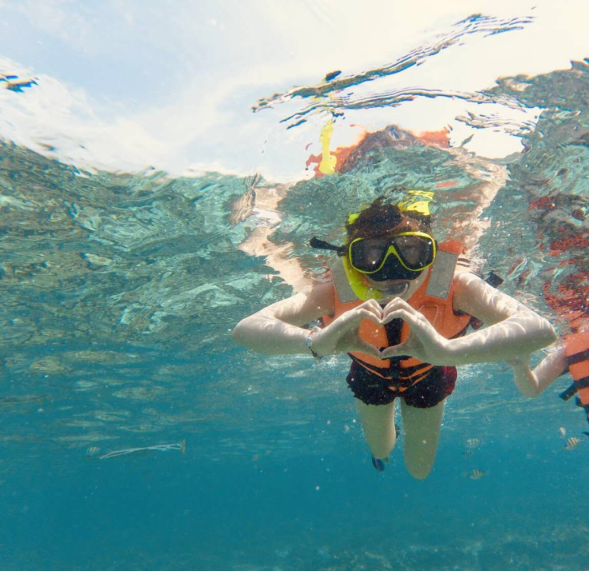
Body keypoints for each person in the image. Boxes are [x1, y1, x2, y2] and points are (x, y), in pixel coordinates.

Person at [232, 193, 561, 478]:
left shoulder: (454, 283)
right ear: (352, 260)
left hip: (429, 375)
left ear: (431, 253)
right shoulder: (334, 291)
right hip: (369, 375)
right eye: (371, 255)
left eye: (411, 251)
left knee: (420, 469)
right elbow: (245, 329)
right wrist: (314, 344)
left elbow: (541, 330)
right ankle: (382, 451)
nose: (392, 269)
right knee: (382, 447)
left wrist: (447, 352)